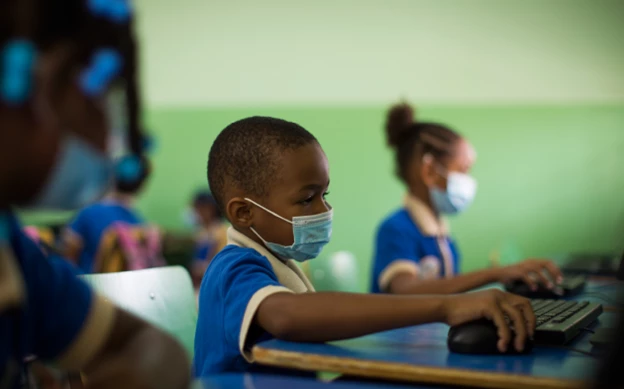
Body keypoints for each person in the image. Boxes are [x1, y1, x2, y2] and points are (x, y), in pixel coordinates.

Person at [193, 116, 535, 376]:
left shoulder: (275, 260)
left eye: (324, 195)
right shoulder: (233, 267)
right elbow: (284, 315)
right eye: (307, 198)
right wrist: (445, 307)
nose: (324, 210)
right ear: (244, 212)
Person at [0, 0, 189, 387]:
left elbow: (145, 344)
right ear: (35, 77)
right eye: (103, 96)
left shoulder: (15, 254)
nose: (108, 133)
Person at [370, 103, 563, 295]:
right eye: (463, 170)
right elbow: (406, 290)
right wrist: (494, 274)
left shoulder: (441, 233)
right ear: (429, 171)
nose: (468, 181)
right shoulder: (396, 229)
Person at [62, 155, 152, 273]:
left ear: (112, 176)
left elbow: (67, 258)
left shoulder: (88, 213)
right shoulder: (139, 224)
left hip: (86, 286)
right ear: (142, 186)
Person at [188, 190, 228, 285]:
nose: (195, 212)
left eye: (197, 208)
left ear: (209, 209)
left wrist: (201, 269)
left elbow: (221, 264)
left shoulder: (222, 232)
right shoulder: (200, 232)